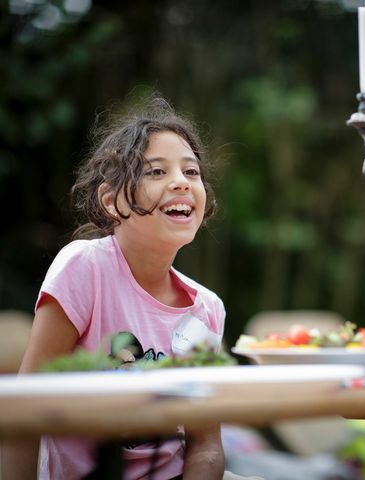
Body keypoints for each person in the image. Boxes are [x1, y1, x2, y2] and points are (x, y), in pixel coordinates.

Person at [2, 97, 227, 479]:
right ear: (111, 201)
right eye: (156, 172)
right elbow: (25, 409)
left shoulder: (206, 308)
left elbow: (206, 445)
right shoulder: (85, 268)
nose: (180, 182)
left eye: (192, 172)